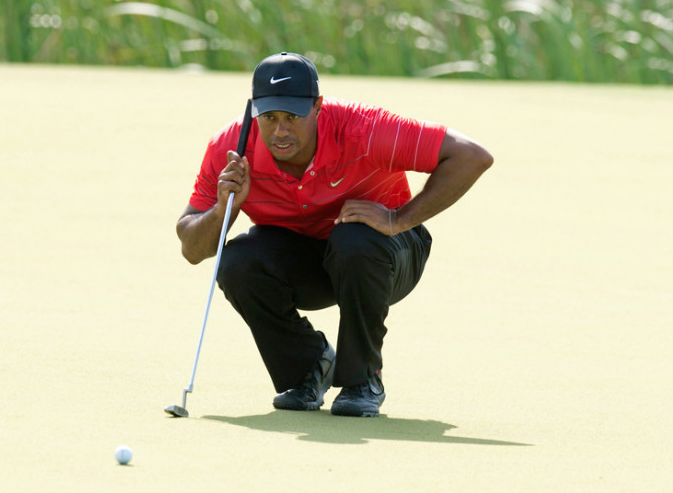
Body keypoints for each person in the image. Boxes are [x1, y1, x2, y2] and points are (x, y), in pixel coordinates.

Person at [177, 52, 493, 417]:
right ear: (253, 111)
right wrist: (223, 208)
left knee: (353, 240)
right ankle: (308, 367)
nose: (280, 130)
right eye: (269, 117)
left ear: (318, 107)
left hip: (386, 254)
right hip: (307, 261)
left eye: (293, 117)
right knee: (237, 261)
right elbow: (192, 248)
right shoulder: (231, 148)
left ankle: (362, 380)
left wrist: (398, 219)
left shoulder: (364, 128)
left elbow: (472, 156)